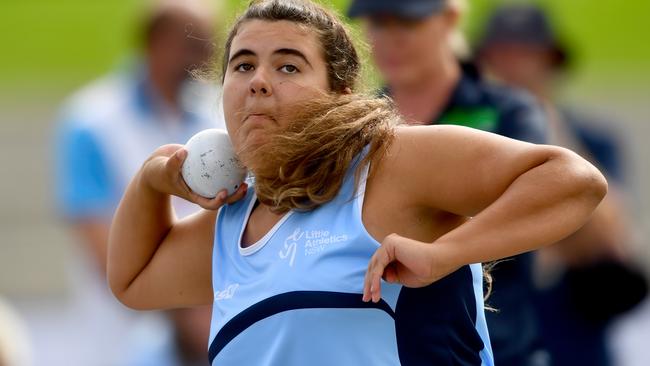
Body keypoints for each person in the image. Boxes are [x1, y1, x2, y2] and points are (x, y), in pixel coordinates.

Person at [107, 1, 607, 365]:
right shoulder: (235, 222)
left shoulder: (391, 162)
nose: (259, 80)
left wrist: (446, 253)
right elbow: (132, 281)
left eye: (288, 65)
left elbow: (573, 181)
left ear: (340, 93)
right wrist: (151, 182)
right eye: (242, 65)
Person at [346, 0, 549, 364]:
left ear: (451, 17)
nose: (390, 40)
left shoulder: (506, 111)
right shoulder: (353, 129)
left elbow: (545, 199)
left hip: (496, 349)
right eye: (377, 23)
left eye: (406, 22)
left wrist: (440, 250)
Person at [476, 4, 648, 366]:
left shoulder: (593, 139)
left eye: (528, 56)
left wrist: (543, 123)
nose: (515, 69)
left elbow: (611, 239)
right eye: (502, 56)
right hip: (500, 331)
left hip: (574, 332)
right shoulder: (472, 145)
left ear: (551, 62)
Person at [53, 1, 221, 364]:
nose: (206, 59)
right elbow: (103, 250)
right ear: (155, 43)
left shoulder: (218, 111)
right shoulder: (90, 122)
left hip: (206, 327)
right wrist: (191, 311)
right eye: (194, 45)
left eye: (209, 45)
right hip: (121, 339)